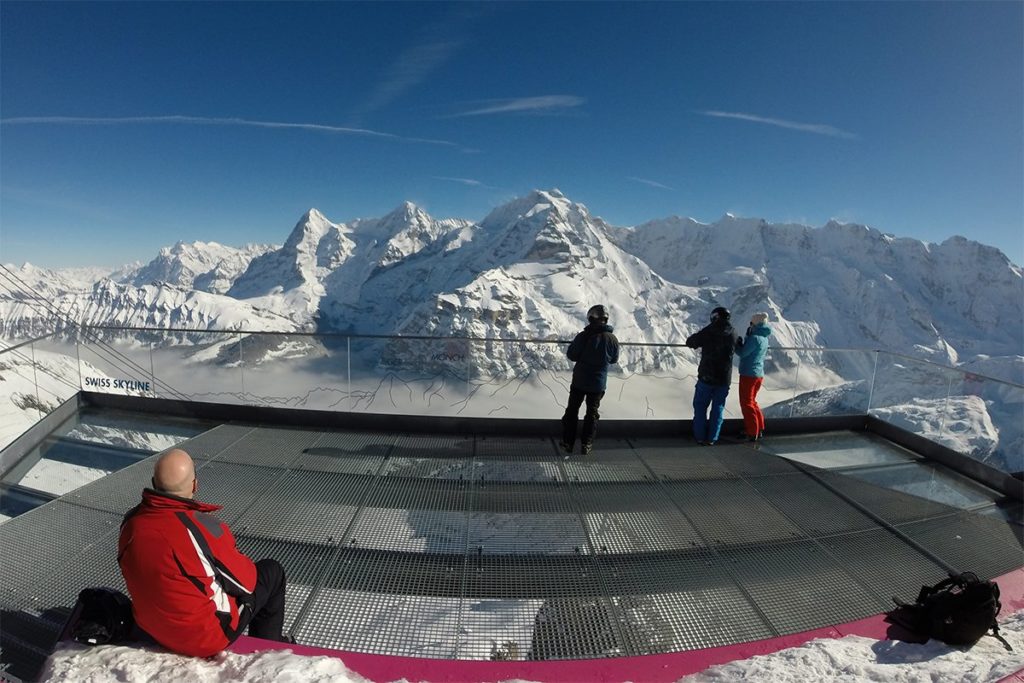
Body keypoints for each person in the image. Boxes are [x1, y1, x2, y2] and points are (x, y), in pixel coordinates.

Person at [117, 448, 290, 657]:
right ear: (194, 485)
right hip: (204, 637)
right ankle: (269, 650)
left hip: (151, 627)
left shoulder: (131, 523)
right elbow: (246, 582)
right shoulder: (203, 529)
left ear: (154, 484)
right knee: (272, 572)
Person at [561, 304, 620, 455]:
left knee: (572, 411)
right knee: (592, 413)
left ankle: (568, 442)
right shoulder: (612, 339)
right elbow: (614, 359)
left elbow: (572, 355)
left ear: (591, 318)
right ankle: (586, 444)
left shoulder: (583, 336)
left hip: (579, 381)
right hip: (598, 384)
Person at [685, 306, 742, 445]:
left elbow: (691, 342)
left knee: (700, 406)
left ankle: (699, 436)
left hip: (707, 376)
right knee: (718, 409)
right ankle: (712, 438)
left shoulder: (709, 331)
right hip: (724, 379)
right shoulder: (733, 333)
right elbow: (739, 347)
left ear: (715, 317)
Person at [737, 312, 772, 441]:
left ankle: (752, 432)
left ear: (755, 324)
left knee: (746, 403)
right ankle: (759, 428)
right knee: (752, 402)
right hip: (758, 374)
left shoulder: (754, 338)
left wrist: (737, 344)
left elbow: (743, 353)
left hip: (748, 374)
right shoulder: (764, 338)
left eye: (751, 323)